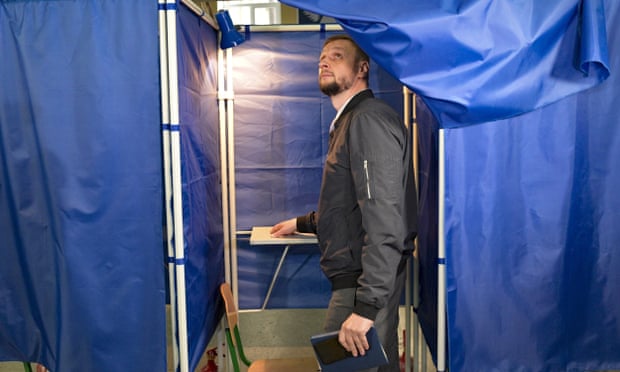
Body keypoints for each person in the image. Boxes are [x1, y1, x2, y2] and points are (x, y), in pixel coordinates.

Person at [270, 34, 417, 371]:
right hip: (363, 283)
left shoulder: (366, 120)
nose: (324, 62)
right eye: (322, 57)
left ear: (362, 68)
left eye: (336, 56)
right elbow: (351, 209)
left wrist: (366, 308)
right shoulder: (351, 121)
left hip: (362, 287)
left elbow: (384, 217)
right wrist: (303, 223)